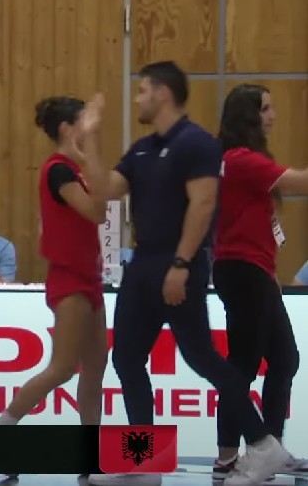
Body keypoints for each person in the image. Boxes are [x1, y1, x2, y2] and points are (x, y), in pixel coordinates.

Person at [89, 61, 291, 486]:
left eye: (143, 90)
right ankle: (146, 463)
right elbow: (106, 190)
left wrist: (181, 263)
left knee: (202, 358)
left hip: (178, 263)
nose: (137, 99)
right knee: (126, 357)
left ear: (162, 93)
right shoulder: (142, 149)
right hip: (143, 264)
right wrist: (88, 140)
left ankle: (261, 443)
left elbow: (203, 204)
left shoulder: (196, 143)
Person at [0, 96, 109, 431]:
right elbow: (98, 211)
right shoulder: (58, 170)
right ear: (66, 128)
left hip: (89, 277)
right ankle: (2, 428)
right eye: (84, 121)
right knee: (62, 368)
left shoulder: (75, 169)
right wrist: (92, 148)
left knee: (95, 367)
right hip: (70, 279)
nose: (90, 127)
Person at [211, 83, 306, 478]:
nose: (272, 117)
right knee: (243, 365)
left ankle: (269, 451)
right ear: (247, 115)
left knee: (283, 359)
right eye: (265, 109)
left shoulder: (239, 161)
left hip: (254, 271)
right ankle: (230, 457)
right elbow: (299, 182)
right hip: (243, 270)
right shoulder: (240, 160)